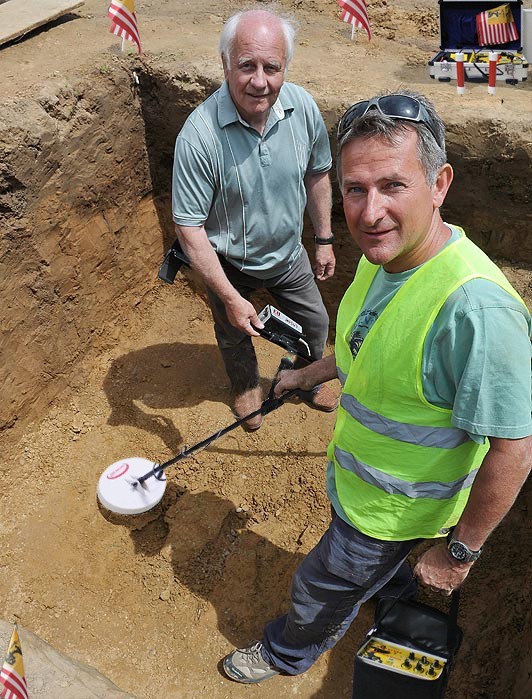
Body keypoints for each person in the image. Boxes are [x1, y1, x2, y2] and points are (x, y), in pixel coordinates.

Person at [221, 90, 532, 683]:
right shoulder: (385, 255)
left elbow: (514, 449)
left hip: (394, 510)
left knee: (318, 584)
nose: (368, 212)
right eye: (355, 189)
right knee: (371, 574)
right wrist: (312, 372)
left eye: (393, 186)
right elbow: (374, 337)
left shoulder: (477, 313)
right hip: (366, 486)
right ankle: (383, 588)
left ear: (439, 184)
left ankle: (288, 651)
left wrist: (460, 553)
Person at [171, 6, 338, 431]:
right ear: (225, 63)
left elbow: (318, 171)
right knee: (233, 332)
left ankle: (302, 375)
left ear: (286, 67)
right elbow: (189, 228)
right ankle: (245, 385)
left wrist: (323, 238)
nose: (259, 81)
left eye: (272, 67)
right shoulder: (200, 136)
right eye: (246, 66)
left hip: (288, 255)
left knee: (316, 324)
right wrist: (230, 297)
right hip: (230, 263)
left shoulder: (302, 108)